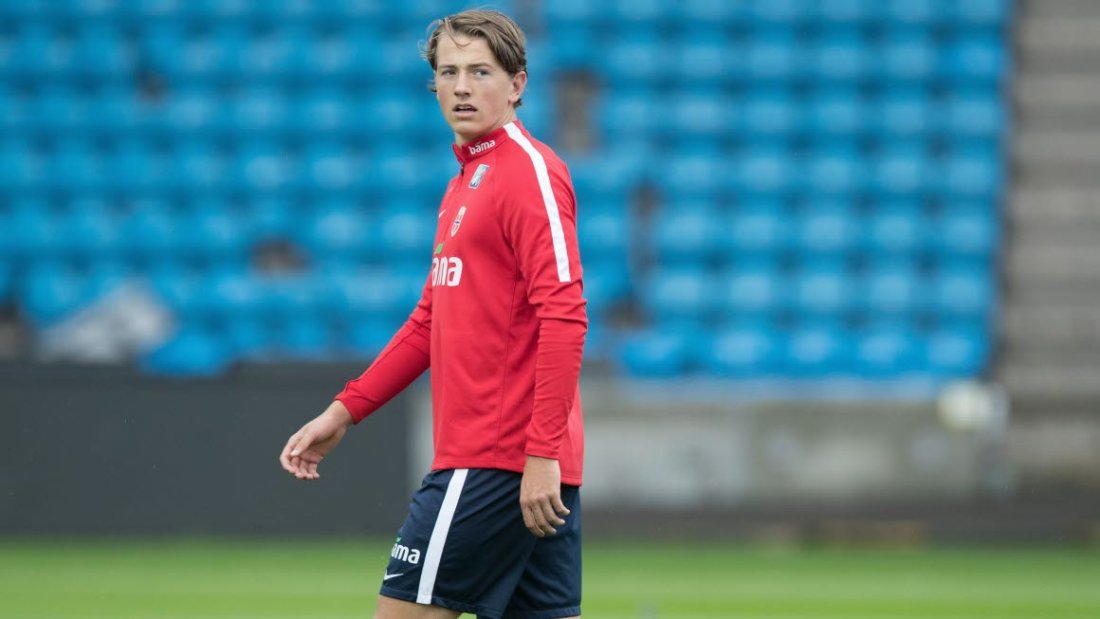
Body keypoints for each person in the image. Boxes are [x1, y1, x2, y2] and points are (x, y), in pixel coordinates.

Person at [279, 9, 587, 619]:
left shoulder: (527, 173)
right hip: (512, 464)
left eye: (480, 71)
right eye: (449, 72)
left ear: (518, 84)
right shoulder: (466, 181)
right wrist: (344, 411)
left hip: (498, 461)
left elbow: (566, 314)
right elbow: (430, 321)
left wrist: (540, 453)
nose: (462, 87)